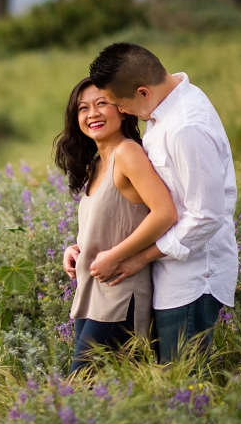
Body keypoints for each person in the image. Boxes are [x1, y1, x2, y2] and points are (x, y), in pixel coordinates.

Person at [79, 42, 239, 365]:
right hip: (168, 276)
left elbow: (206, 217)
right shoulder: (162, 113)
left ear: (143, 93)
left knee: (187, 388)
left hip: (193, 279)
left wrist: (140, 257)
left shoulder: (186, 127)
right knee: (171, 386)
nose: (120, 112)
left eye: (119, 104)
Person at [55, 79, 177, 373]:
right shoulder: (96, 164)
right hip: (91, 295)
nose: (92, 114)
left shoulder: (127, 153)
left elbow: (165, 213)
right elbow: (112, 223)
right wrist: (75, 249)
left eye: (101, 104)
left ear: (122, 110)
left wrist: (116, 256)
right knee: (106, 398)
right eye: (83, 108)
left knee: (80, 390)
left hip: (119, 296)